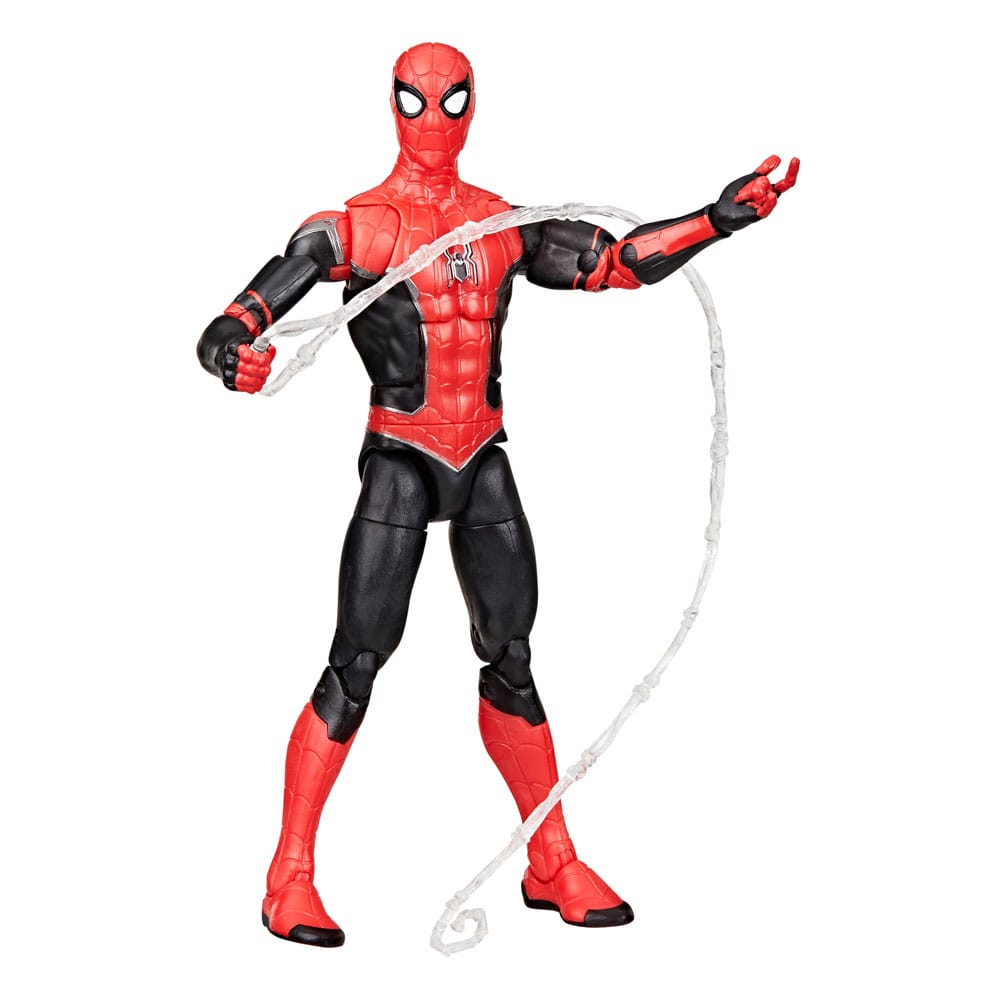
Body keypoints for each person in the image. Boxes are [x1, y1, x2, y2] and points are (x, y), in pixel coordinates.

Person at [198, 41, 798, 948]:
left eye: (452, 101)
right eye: (417, 101)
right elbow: (235, 321)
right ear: (392, 105)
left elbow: (618, 261)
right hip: (401, 458)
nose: (434, 120)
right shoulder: (351, 229)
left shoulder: (502, 223)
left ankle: (550, 860)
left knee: (511, 657)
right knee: (355, 663)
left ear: (474, 105)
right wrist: (235, 358)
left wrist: (719, 219)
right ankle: (290, 875)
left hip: (482, 457)